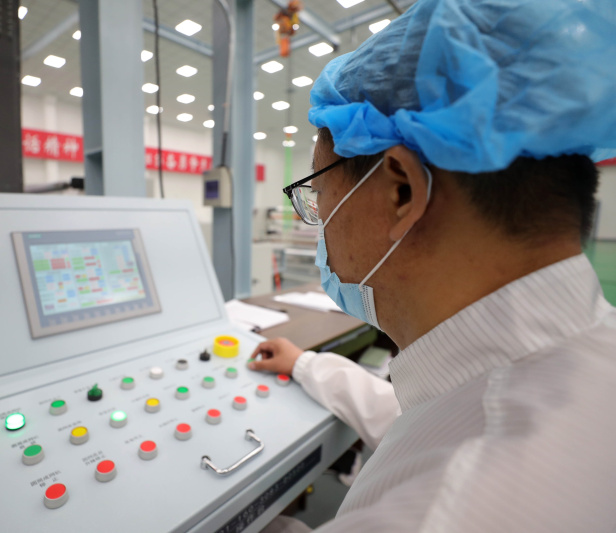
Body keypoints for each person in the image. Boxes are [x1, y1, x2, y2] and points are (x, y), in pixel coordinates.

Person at [249, 0, 616, 531]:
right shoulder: (580, 355)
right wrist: (306, 364)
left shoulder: (439, 513)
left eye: (317, 193)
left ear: (400, 189)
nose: (319, 219)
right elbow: (430, 420)